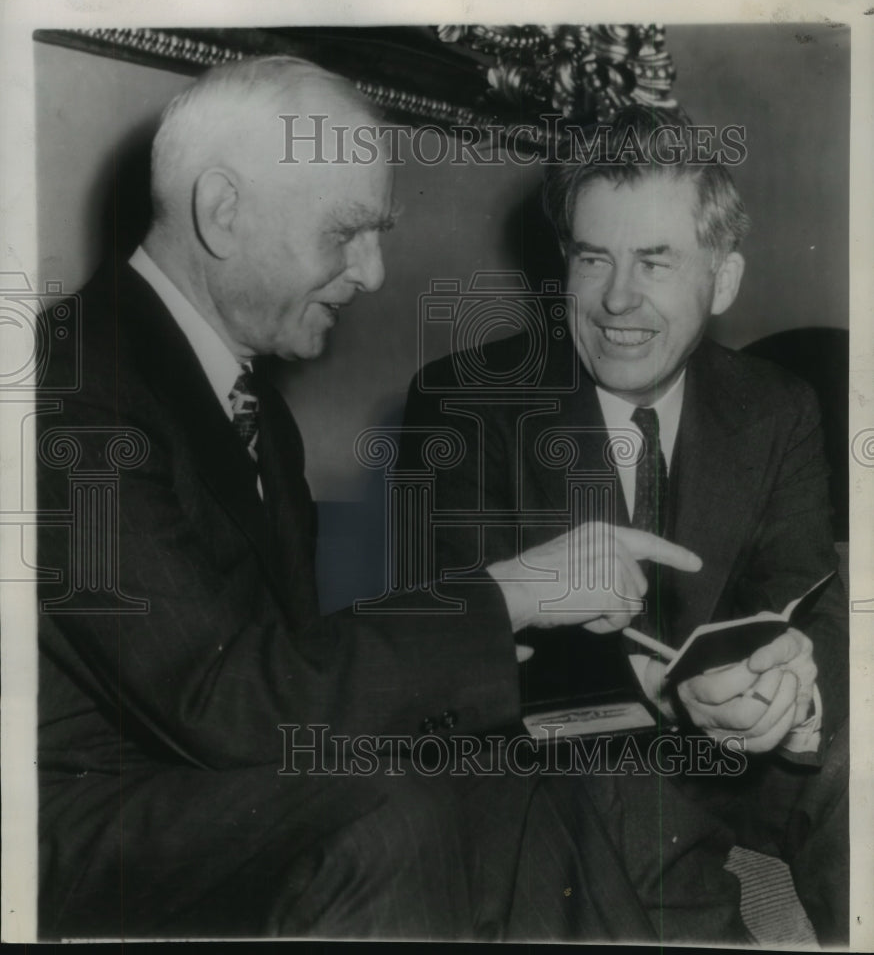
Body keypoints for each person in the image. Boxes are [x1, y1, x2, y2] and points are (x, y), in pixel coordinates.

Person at [35, 58, 704, 941]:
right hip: (84, 826)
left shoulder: (253, 409)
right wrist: (511, 593)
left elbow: (289, 668)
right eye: (347, 233)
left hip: (203, 781)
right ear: (222, 211)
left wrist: (556, 647)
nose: (376, 272)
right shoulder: (68, 391)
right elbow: (227, 702)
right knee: (398, 815)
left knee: (506, 757)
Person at [400, 106, 849, 944]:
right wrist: (653, 697)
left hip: (740, 752)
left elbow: (801, 590)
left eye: (654, 262)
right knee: (625, 810)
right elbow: (449, 659)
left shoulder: (777, 406)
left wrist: (790, 687)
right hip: (578, 749)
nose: (616, 300)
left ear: (722, 281)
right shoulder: (461, 405)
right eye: (592, 257)